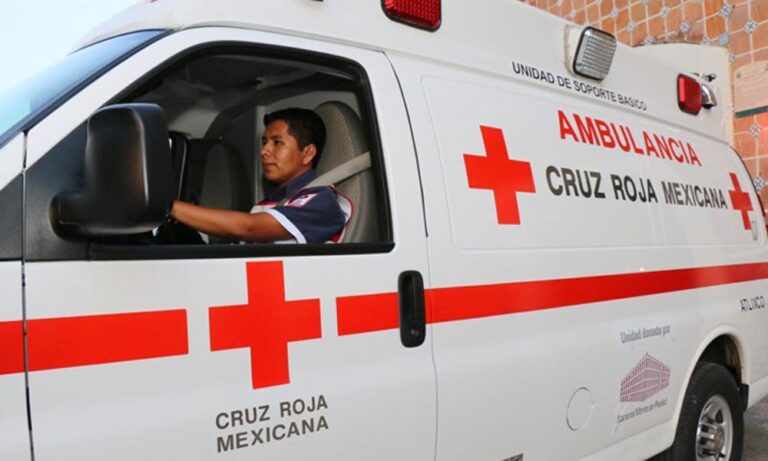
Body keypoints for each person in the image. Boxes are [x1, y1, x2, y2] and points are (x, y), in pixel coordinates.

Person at [169, 108, 349, 243]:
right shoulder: (269, 203)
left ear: (308, 153)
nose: (264, 151)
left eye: (277, 143)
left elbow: (248, 227)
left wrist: (168, 206)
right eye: (264, 142)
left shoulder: (321, 202)